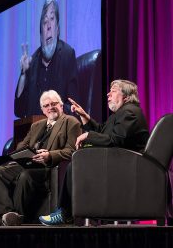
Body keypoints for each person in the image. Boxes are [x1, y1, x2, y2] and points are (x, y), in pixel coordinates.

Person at [39, 79, 150, 225]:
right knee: (77, 163)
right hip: (121, 161)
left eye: (114, 90)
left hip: (128, 166)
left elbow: (115, 139)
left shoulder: (129, 112)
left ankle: (67, 213)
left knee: (77, 165)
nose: (108, 94)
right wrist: (84, 116)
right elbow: (103, 132)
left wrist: (88, 136)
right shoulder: (122, 113)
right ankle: (73, 213)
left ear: (127, 96)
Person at [0, 90, 82, 226]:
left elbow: (72, 151)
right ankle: (4, 213)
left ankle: (17, 216)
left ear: (61, 105)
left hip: (47, 166)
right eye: (46, 105)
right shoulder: (36, 125)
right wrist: (28, 152)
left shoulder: (71, 122)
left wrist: (49, 155)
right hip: (29, 161)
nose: (50, 107)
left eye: (54, 104)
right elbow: (21, 145)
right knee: (0, 171)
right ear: (43, 110)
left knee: (25, 175)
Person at [14, 0, 79, 118]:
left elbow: (74, 107)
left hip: (58, 130)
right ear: (41, 33)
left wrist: (53, 108)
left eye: (52, 19)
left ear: (58, 29)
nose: (48, 26)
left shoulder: (67, 55)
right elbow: (19, 111)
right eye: (44, 22)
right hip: (35, 132)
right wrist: (23, 74)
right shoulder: (32, 62)